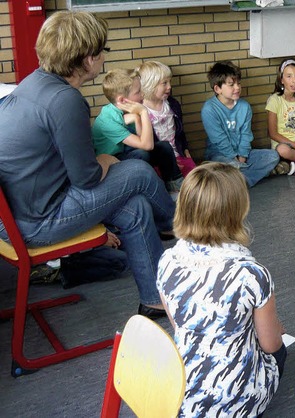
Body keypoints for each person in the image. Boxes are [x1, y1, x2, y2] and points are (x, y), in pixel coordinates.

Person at [0, 10, 174, 319]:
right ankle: (187, 228)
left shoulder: (32, 83)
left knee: (135, 207)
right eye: (102, 51)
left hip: (14, 217)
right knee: (138, 170)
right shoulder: (66, 99)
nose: (104, 58)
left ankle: (155, 299)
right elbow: (87, 178)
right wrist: (105, 159)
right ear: (87, 59)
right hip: (36, 223)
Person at [157, 162, 286, 417]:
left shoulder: (167, 261)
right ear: (237, 210)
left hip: (182, 394)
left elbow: (179, 325)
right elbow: (270, 345)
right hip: (235, 398)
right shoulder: (252, 274)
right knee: (281, 351)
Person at [92, 68, 184, 197]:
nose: (142, 94)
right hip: (111, 163)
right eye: (138, 92)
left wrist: (137, 118)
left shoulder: (129, 109)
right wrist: (143, 112)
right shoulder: (107, 120)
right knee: (142, 155)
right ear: (122, 100)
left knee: (164, 146)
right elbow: (147, 146)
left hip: (126, 152)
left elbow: (145, 140)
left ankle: (176, 187)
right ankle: (149, 191)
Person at [201, 61, 282, 186]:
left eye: (238, 83)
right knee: (226, 167)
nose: (237, 88)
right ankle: (248, 175)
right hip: (219, 155)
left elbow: (246, 135)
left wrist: (242, 157)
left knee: (273, 156)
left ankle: (239, 182)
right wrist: (235, 160)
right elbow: (219, 140)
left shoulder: (244, 107)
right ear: (217, 88)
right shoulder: (209, 109)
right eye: (231, 84)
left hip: (243, 154)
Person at [137, 60, 197, 178]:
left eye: (170, 82)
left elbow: (180, 131)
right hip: (158, 160)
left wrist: (185, 149)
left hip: (179, 155)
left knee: (195, 181)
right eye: (164, 83)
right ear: (150, 85)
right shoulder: (141, 110)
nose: (169, 87)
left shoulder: (172, 104)